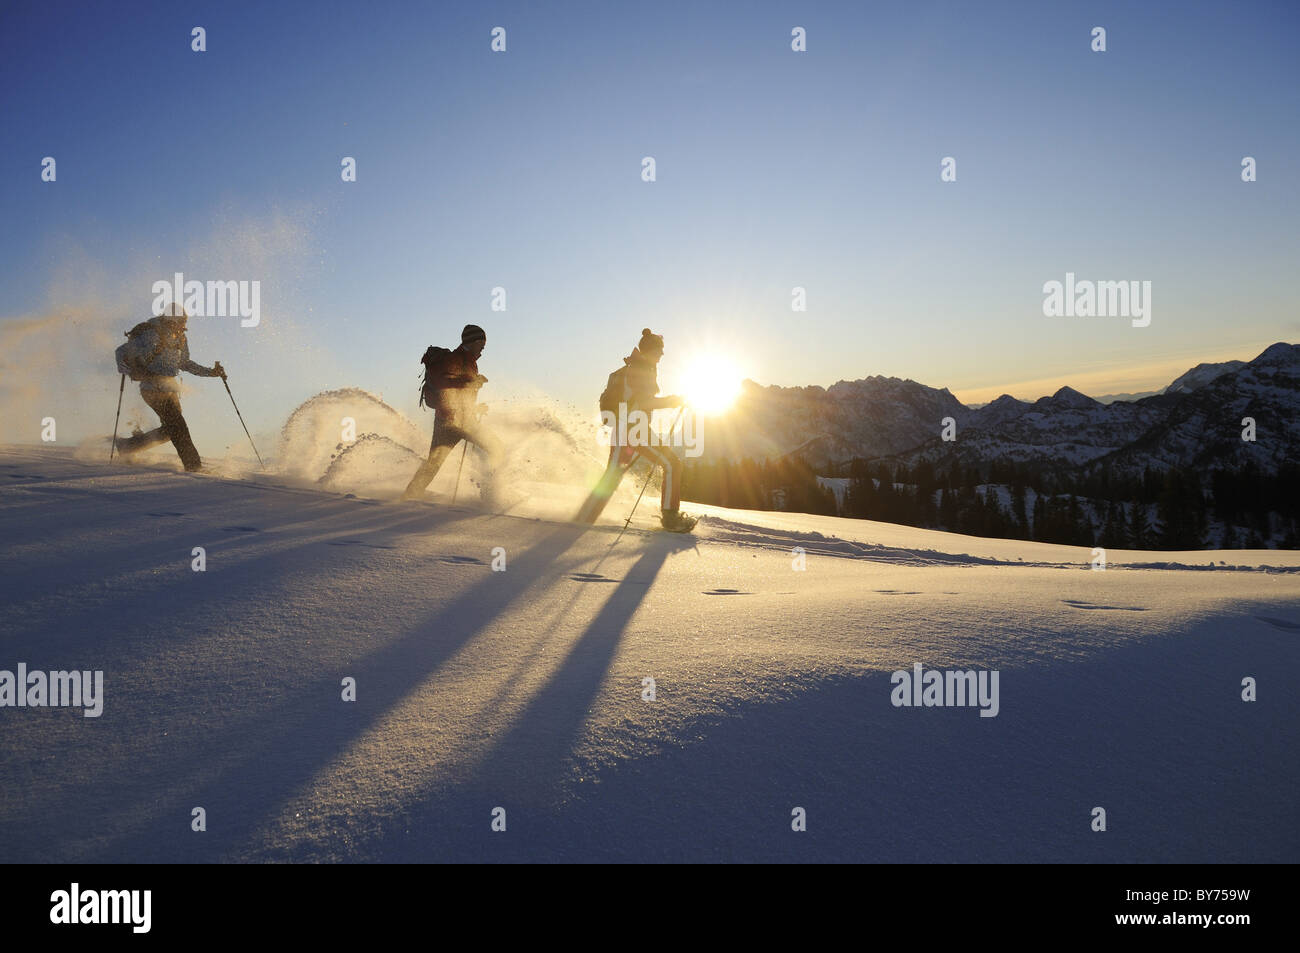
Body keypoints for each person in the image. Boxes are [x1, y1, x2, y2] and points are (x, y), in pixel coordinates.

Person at [577, 328, 696, 532]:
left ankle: (583, 519)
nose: (662, 354)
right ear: (650, 350)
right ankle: (670, 519)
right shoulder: (641, 369)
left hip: (623, 428)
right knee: (672, 464)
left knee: (612, 475)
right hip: (634, 429)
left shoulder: (632, 367)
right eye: (659, 350)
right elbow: (644, 402)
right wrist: (673, 401)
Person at [114, 304, 224, 471]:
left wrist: (212, 373)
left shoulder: (180, 338)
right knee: (178, 427)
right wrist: (128, 369)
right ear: (171, 320)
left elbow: (185, 363)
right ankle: (193, 466)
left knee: (169, 431)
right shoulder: (151, 333)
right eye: (181, 321)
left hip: (169, 388)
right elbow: (121, 352)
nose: (183, 326)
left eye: (184, 322)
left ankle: (128, 446)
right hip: (152, 388)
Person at [402, 324, 503, 502]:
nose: (483, 348)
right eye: (481, 343)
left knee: (434, 462)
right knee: (495, 447)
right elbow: (445, 385)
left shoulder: (469, 361)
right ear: (472, 341)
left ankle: (410, 495)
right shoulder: (456, 359)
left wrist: (475, 405)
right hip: (455, 421)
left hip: (453, 420)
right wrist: (472, 383)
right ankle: (490, 496)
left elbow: (460, 394)